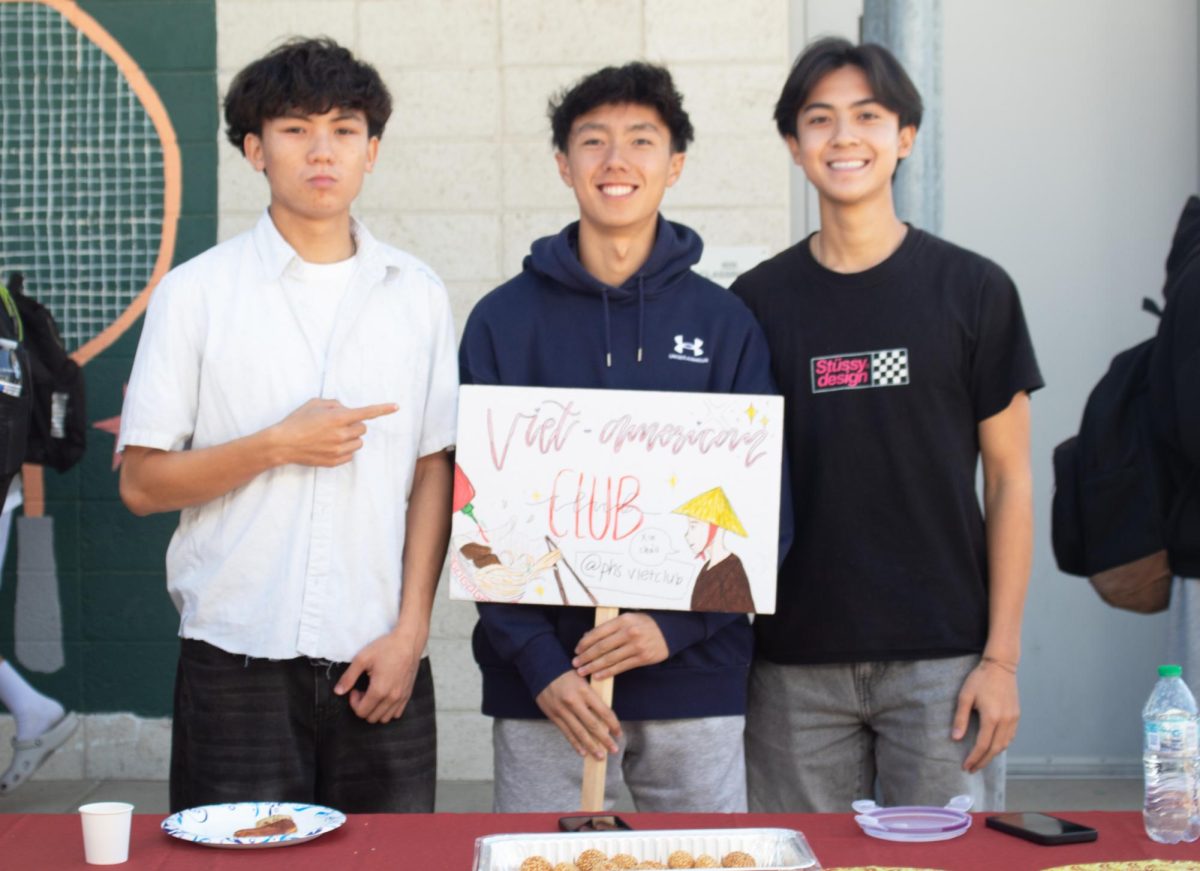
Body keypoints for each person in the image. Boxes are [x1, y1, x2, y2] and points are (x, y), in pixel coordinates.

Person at [117, 38, 457, 813]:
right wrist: (276, 445)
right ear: (254, 149)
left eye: (343, 128)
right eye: (295, 129)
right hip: (233, 655)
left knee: (387, 864)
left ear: (372, 151)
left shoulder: (418, 295)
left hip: (379, 650)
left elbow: (434, 467)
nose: (321, 150)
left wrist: (411, 634)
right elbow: (140, 483)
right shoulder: (195, 294)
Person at [459, 62, 787, 812]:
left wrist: (674, 626)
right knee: (542, 862)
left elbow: (766, 512)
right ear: (562, 164)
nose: (616, 161)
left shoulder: (724, 323)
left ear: (674, 165)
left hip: (692, 675)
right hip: (546, 686)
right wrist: (542, 664)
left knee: (710, 865)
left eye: (641, 140)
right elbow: (480, 516)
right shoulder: (502, 323)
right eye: (594, 141)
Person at [732, 37, 1042, 812]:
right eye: (820, 119)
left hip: (943, 661)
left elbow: (1009, 481)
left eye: (868, 117)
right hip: (793, 663)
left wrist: (999, 660)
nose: (844, 138)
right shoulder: (755, 303)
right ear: (793, 145)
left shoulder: (975, 291)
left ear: (904, 137)